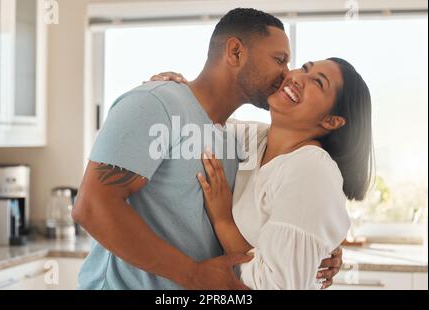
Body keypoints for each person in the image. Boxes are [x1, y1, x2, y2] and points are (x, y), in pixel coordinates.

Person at [72, 8, 343, 290]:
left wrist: (314, 246)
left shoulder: (237, 138)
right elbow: (92, 207)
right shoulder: (154, 103)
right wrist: (192, 274)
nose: (287, 74)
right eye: (279, 60)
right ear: (236, 52)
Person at [152, 57, 373, 289]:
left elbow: (273, 285)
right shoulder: (254, 140)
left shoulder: (311, 169)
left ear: (331, 121)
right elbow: (201, 121)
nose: (298, 78)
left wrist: (223, 220)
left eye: (318, 82)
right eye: (305, 68)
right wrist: (175, 92)